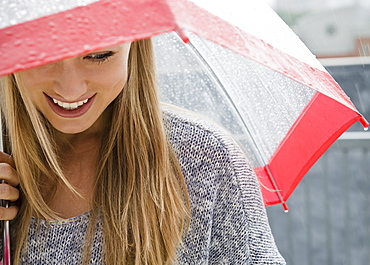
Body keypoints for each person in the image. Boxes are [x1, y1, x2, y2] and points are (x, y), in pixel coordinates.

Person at [0, 38, 286, 264]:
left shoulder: (206, 159)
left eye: (99, 55)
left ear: (134, 43)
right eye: (41, 54)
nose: (70, 88)